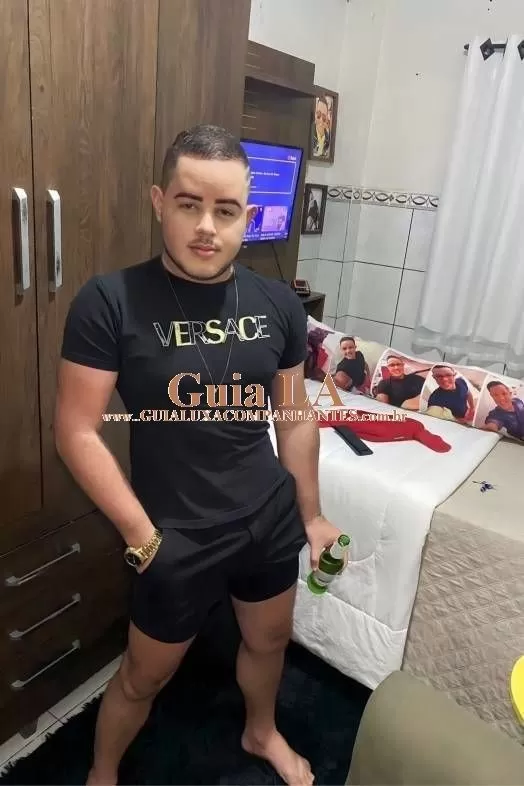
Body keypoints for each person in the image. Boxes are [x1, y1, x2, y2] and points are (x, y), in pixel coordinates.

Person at [54, 124, 344, 786]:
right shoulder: (110, 301)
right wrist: (143, 537)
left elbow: (294, 415)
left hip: (267, 515)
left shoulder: (278, 303)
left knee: (269, 640)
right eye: (190, 204)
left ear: (248, 216)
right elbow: (76, 430)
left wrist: (311, 515)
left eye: (226, 210)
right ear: (160, 201)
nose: (207, 227)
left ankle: (260, 731)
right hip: (175, 534)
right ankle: (102, 772)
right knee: (143, 676)